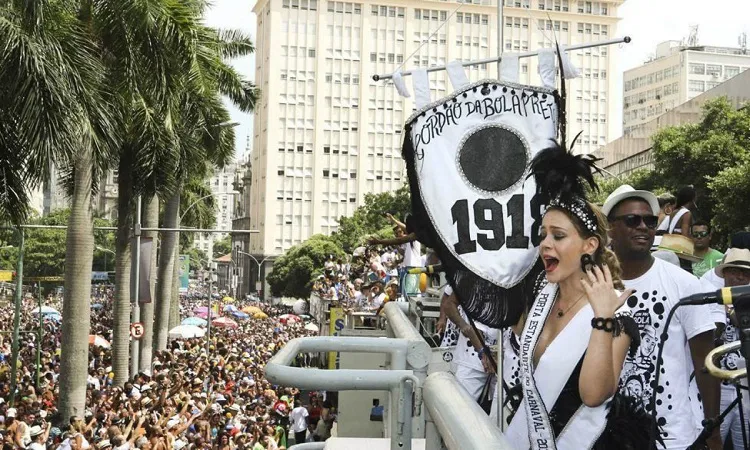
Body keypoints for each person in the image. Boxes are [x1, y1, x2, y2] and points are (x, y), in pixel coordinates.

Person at [505, 145, 645, 450]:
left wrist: (602, 319)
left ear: (589, 245)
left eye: (558, 236)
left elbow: (594, 395)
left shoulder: (616, 313)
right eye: (542, 235)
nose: (545, 244)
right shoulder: (540, 301)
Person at [602, 184, 720, 450]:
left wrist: (713, 431)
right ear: (610, 228)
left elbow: (706, 363)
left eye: (650, 220)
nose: (643, 226)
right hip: (608, 433)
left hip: (673, 436)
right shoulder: (595, 286)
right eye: (632, 220)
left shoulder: (685, 284)